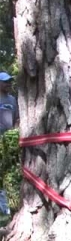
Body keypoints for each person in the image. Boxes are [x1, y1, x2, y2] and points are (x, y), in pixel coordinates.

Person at [0, 72, 18, 215]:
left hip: (9, 139)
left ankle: (7, 205)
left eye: (9, 82)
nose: (8, 84)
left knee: (7, 171)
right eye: (5, 82)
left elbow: (17, 118)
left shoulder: (12, 100)